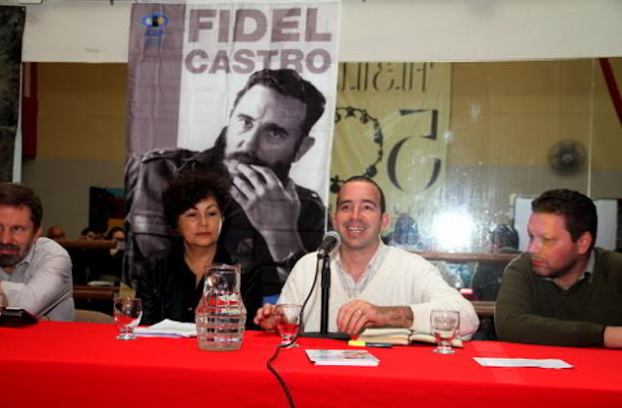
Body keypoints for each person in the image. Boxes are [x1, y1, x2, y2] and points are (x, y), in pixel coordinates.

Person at [125, 68, 327, 299]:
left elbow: (309, 301)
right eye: (245, 121)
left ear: (301, 148)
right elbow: (149, 278)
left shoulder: (308, 209)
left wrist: (281, 235)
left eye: (274, 133)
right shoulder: (160, 172)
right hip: (166, 316)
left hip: (251, 320)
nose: (248, 144)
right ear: (230, 118)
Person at [253, 176, 479, 337]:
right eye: (346, 207)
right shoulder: (309, 266)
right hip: (319, 384)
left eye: (367, 207)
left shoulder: (411, 267)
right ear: (335, 219)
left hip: (388, 385)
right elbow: (286, 327)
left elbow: (468, 317)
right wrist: (276, 324)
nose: (355, 216)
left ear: (384, 221)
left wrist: (386, 315)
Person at [495, 189, 622, 348]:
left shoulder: (616, 269)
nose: (532, 249)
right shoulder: (523, 268)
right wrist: (603, 335)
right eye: (531, 236)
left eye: (546, 240)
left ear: (582, 243)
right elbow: (509, 326)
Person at [136, 167, 260, 328]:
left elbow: (248, 331)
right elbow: (144, 327)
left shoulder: (244, 271)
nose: (203, 223)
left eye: (211, 213)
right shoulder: (155, 267)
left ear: (222, 219)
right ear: (175, 223)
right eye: (192, 215)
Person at [0, 182, 75, 321]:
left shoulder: (54, 256)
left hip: (49, 336)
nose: (5, 240)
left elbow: (27, 306)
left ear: (36, 232)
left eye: (17, 228)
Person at [471, 223, 520, 301]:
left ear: (497, 243)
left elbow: (476, 290)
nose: (489, 247)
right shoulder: (526, 262)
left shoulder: (486, 262)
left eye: (490, 242)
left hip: (489, 307)